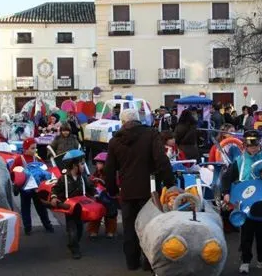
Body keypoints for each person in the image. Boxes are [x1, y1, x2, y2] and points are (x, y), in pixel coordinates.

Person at [105, 109, 174, 271]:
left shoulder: (115, 141)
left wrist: (112, 189)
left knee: (129, 226)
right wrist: (170, 183)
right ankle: (148, 262)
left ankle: (131, 261)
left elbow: (109, 169)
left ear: (122, 122)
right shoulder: (151, 134)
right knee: (150, 226)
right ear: (138, 119)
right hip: (148, 188)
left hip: (127, 189)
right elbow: (161, 160)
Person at [222, 130, 262, 274]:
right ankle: (245, 260)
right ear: (245, 145)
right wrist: (226, 193)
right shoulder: (239, 161)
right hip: (245, 202)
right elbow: (227, 178)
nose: (252, 148)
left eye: (255, 145)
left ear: (260, 144)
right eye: (249, 145)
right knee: (246, 232)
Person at [50, 149, 96, 259]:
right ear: (74, 165)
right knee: (72, 230)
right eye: (81, 163)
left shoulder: (83, 178)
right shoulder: (63, 179)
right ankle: (75, 249)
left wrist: (96, 192)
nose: (84, 166)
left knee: (80, 229)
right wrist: (54, 197)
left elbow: (91, 189)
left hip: (81, 208)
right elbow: (55, 189)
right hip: (69, 209)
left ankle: (72, 243)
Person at [11, 137, 54, 236]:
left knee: (41, 207)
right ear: (25, 149)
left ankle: (47, 224)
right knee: (25, 208)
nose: (35, 150)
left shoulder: (37, 158)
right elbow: (13, 172)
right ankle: (27, 227)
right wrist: (16, 182)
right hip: (25, 188)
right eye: (32, 148)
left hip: (37, 188)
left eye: (35, 148)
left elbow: (45, 169)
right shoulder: (19, 159)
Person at [87, 152, 118, 239]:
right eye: (97, 163)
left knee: (111, 215)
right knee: (96, 214)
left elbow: (114, 185)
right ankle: (93, 231)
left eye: (100, 163)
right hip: (98, 197)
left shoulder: (112, 173)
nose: (97, 165)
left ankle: (110, 231)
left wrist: (103, 182)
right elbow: (91, 181)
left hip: (110, 197)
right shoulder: (96, 173)